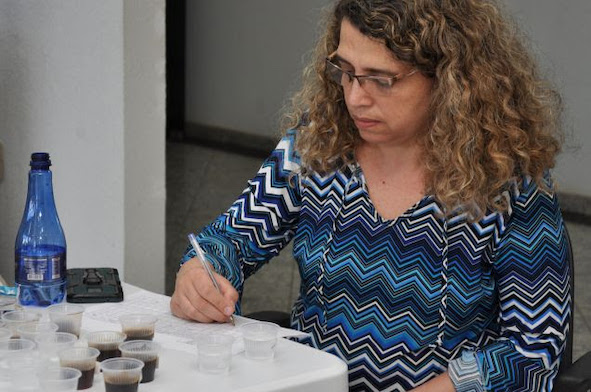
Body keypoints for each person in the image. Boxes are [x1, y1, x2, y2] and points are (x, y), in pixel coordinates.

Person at [171, 0, 571, 390]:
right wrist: (200, 276)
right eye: (345, 72)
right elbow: (227, 240)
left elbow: (533, 349)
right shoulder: (318, 145)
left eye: (381, 79)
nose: (355, 98)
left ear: (451, 78)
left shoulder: (507, 182)